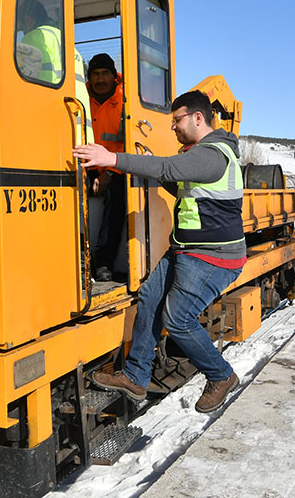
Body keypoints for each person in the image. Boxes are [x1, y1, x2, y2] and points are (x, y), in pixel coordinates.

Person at [73, 90, 246, 413]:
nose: (173, 127)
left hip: (213, 256)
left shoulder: (213, 153)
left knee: (178, 319)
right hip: (188, 248)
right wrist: (144, 165)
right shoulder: (198, 154)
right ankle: (136, 377)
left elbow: (169, 170)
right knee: (151, 296)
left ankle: (221, 376)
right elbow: (176, 183)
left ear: (198, 118)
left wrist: (113, 159)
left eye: (177, 120)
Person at [87, 53, 126, 282]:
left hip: (116, 166)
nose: (100, 79)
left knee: (117, 194)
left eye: (104, 74)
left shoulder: (124, 101)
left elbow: (128, 143)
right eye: (95, 74)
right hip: (87, 164)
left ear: (114, 77)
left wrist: (110, 174)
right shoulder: (79, 96)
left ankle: (103, 262)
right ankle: (79, 256)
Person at [15, 0, 63, 83]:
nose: (23, 32)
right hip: (78, 95)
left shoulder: (33, 37)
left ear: (27, 19)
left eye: (21, 27)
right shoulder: (61, 36)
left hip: (48, 93)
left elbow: (21, 77)